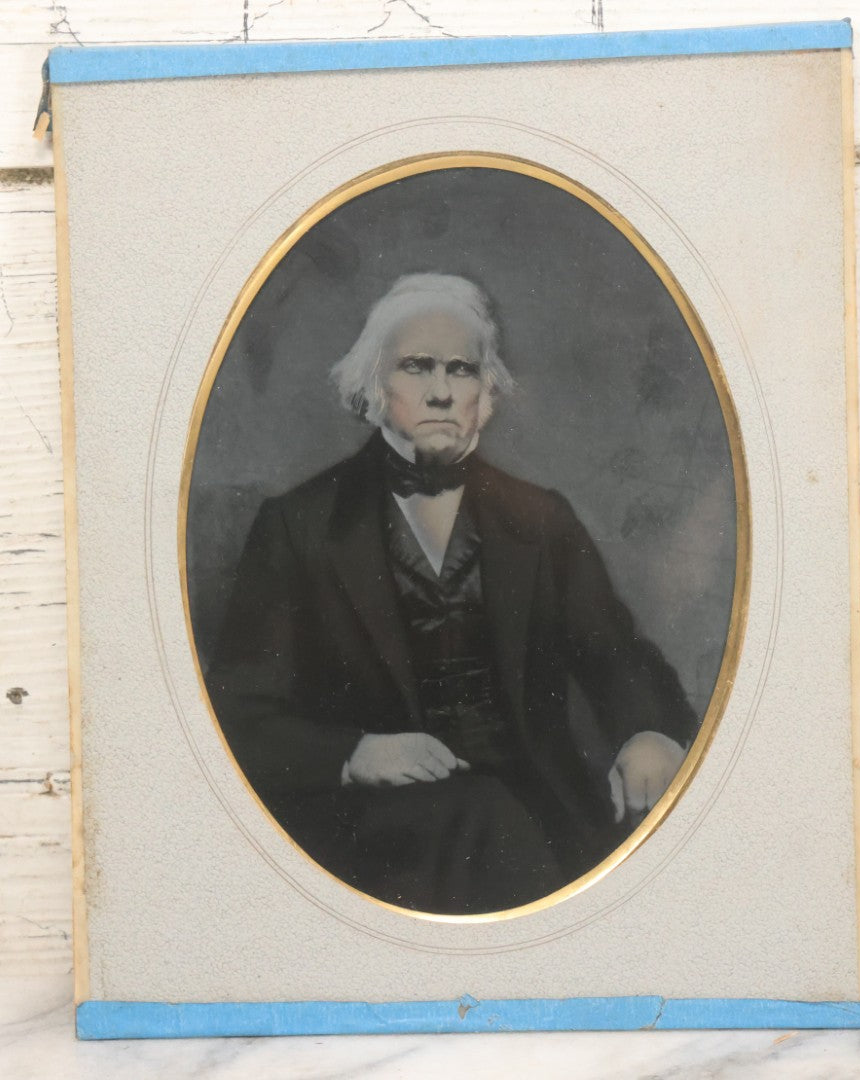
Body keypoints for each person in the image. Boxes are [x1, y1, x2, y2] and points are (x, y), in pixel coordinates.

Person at [206, 273, 697, 915]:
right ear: (374, 386)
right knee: (481, 822)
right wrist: (354, 755)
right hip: (378, 832)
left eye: (461, 370)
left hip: (540, 810)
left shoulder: (541, 520)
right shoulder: (300, 526)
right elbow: (239, 715)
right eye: (417, 367)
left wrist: (649, 733)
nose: (440, 390)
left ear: (485, 395)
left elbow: (617, 655)